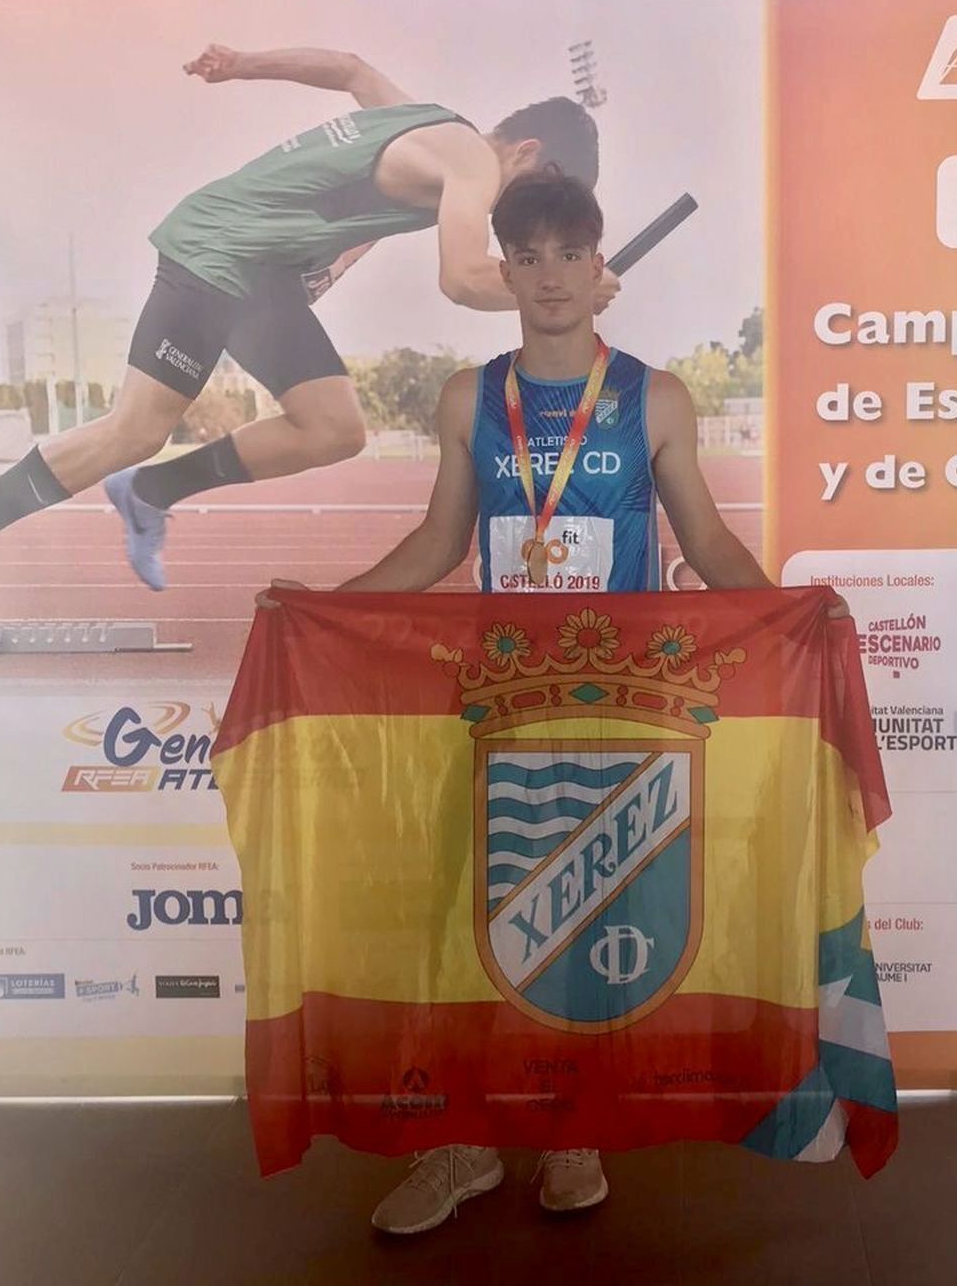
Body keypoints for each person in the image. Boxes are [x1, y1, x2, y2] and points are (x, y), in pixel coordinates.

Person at [259, 169, 772, 1235]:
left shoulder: (654, 396)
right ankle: (464, 1143)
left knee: (589, 930)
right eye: (525, 257)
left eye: (566, 254)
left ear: (598, 267)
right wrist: (317, 607)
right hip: (497, 706)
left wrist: (792, 607)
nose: (547, 277)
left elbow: (709, 543)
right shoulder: (466, 397)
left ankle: (572, 1129)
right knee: (472, 925)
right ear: (504, 270)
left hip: (616, 708)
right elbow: (437, 546)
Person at [0, 43, 613, 651]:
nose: (532, 223)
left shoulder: (430, 123)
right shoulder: (474, 165)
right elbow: (460, 278)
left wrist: (243, 64)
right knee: (208, 428)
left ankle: (109, 499)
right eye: (539, 196)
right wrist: (563, 287)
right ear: (527, 151)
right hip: (225, 258)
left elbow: (350, 69)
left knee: (252, 429)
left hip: (243, 262)